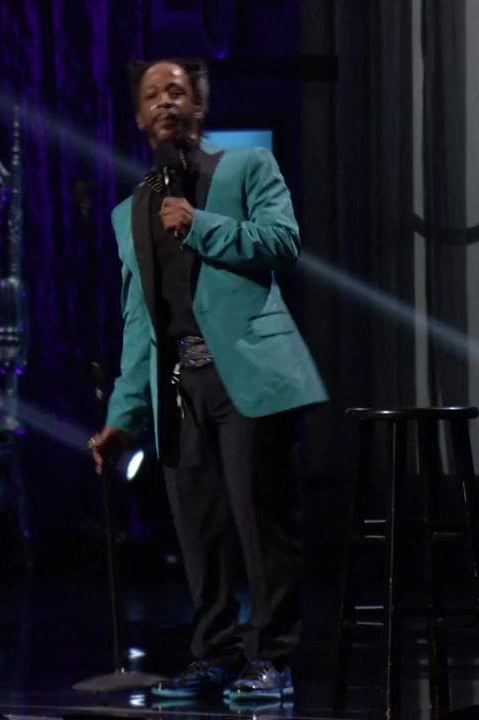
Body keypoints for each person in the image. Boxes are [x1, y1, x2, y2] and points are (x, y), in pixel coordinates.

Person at [88, 57, 326, 703]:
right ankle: (215, 654)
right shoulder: (129, 213)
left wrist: (200, 224)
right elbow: (139, 322)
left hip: (247, 374)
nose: (166, 102)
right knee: (200, 530)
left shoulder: (247, 168)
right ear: (139, 117)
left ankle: (271, 658)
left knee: (260, 522)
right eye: (153, 95)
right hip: (179, 387)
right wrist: (123, 419)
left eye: (177, 91)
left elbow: (282, 241)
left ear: (199, 106)